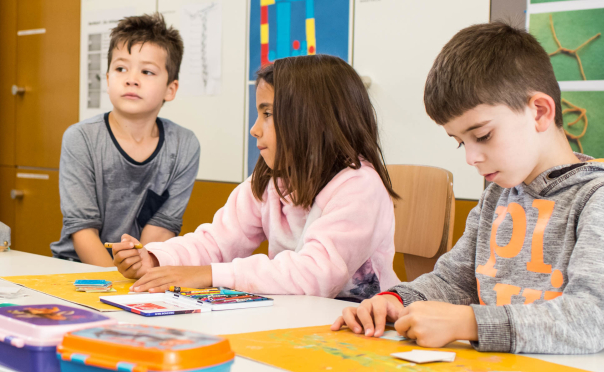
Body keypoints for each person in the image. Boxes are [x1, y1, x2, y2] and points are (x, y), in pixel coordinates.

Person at [331, 22, 604, 354]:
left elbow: (592, 319)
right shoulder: (499, 194)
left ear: (539, 111)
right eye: (459, 142)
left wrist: (472, 323)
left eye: (482, 136)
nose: (471, 157)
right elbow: (455, 282)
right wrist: (395, 301)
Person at [113, 54, 401, 302]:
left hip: (362, 329)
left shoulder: (360, 187)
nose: (254, 129)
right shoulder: (270, 182)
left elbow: (315, 273)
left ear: (312, 120)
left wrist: (209, 274)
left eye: (267, 114)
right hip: (299, 320)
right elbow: (215, 242)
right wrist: (153, 258)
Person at [51, 13, 201, 265]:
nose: (131, 79)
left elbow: (161, 230)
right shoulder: (81, 138)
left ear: (170, 89)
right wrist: (114, 284)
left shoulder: (184, 145)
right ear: (108, 80)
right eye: (121, 68)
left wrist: (135, 274)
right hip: (76, 268)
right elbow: (82, 230)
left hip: (140, 272)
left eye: (147, 71)